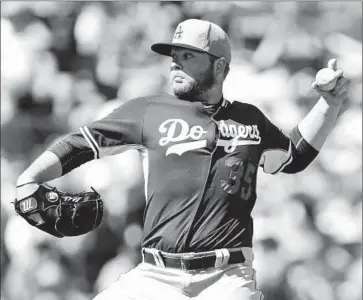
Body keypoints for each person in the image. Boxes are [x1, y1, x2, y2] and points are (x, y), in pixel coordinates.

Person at [16, 19, 348, 300]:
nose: (175, 63)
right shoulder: (148, 111)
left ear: (219, 66)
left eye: (188, 56)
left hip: (226, 278)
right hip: (155, 276)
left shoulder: (250, 119)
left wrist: (329, 105)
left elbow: (294, 157)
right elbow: (79, 144)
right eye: (174, 56)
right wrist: (29, 178)